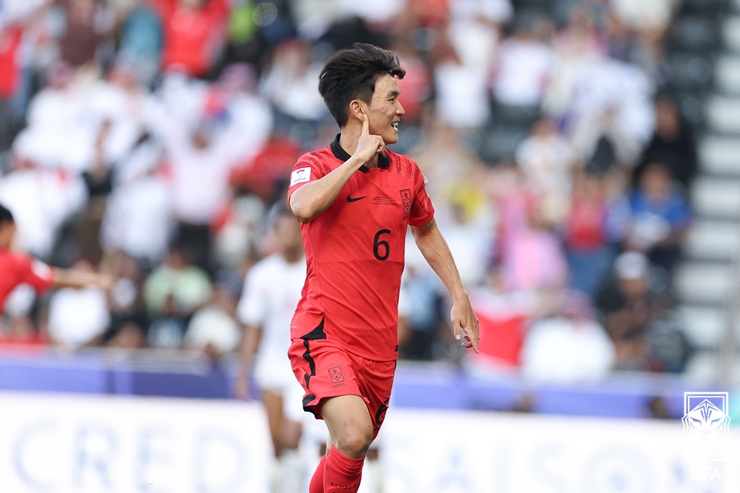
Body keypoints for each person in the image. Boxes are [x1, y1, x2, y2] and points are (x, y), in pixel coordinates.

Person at [286, 43, 480, 493]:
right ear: (358, 109)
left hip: (378, 346)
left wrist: (459, 294)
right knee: (354, 436)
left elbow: (427, 232)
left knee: (352, 446)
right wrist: (355, 160)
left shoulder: (407, 174)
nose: (401, 109)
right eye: (391, 99)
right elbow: (302, 206)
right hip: (323, 332)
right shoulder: (313, 165)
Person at [234, 206, 307, 493]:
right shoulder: (262, 275)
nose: (288, 236)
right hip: (272, 364)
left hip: (305, 367)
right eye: (283, 230)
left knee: (293, 436)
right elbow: (252, 326)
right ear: (275, 235)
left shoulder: (315, 270)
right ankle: (280, 485)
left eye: (294, 230)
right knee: (276, 441)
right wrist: (242, 372)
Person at [0, 203, 113, 312]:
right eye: (14, 231)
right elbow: (61, 278)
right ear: (6, 228)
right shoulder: (15, 264)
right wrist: (98, 281)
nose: (16, 236)